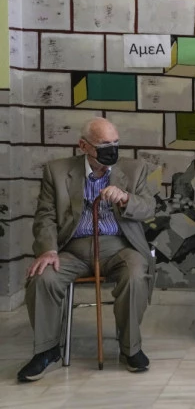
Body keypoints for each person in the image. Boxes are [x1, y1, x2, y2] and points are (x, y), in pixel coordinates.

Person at [18, 118, 156, 382]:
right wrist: (48, 250)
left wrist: (126, 198)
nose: (112, 149)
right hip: (72, 249)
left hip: (119, 246)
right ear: (83, 146)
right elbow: (45, 216)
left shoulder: (134, 169)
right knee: (42, 276)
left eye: (115, 143)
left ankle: (131, 348)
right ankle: (47, 350)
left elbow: (149, 208)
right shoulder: (57, 171)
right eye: (104, 144)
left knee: (136, 274)